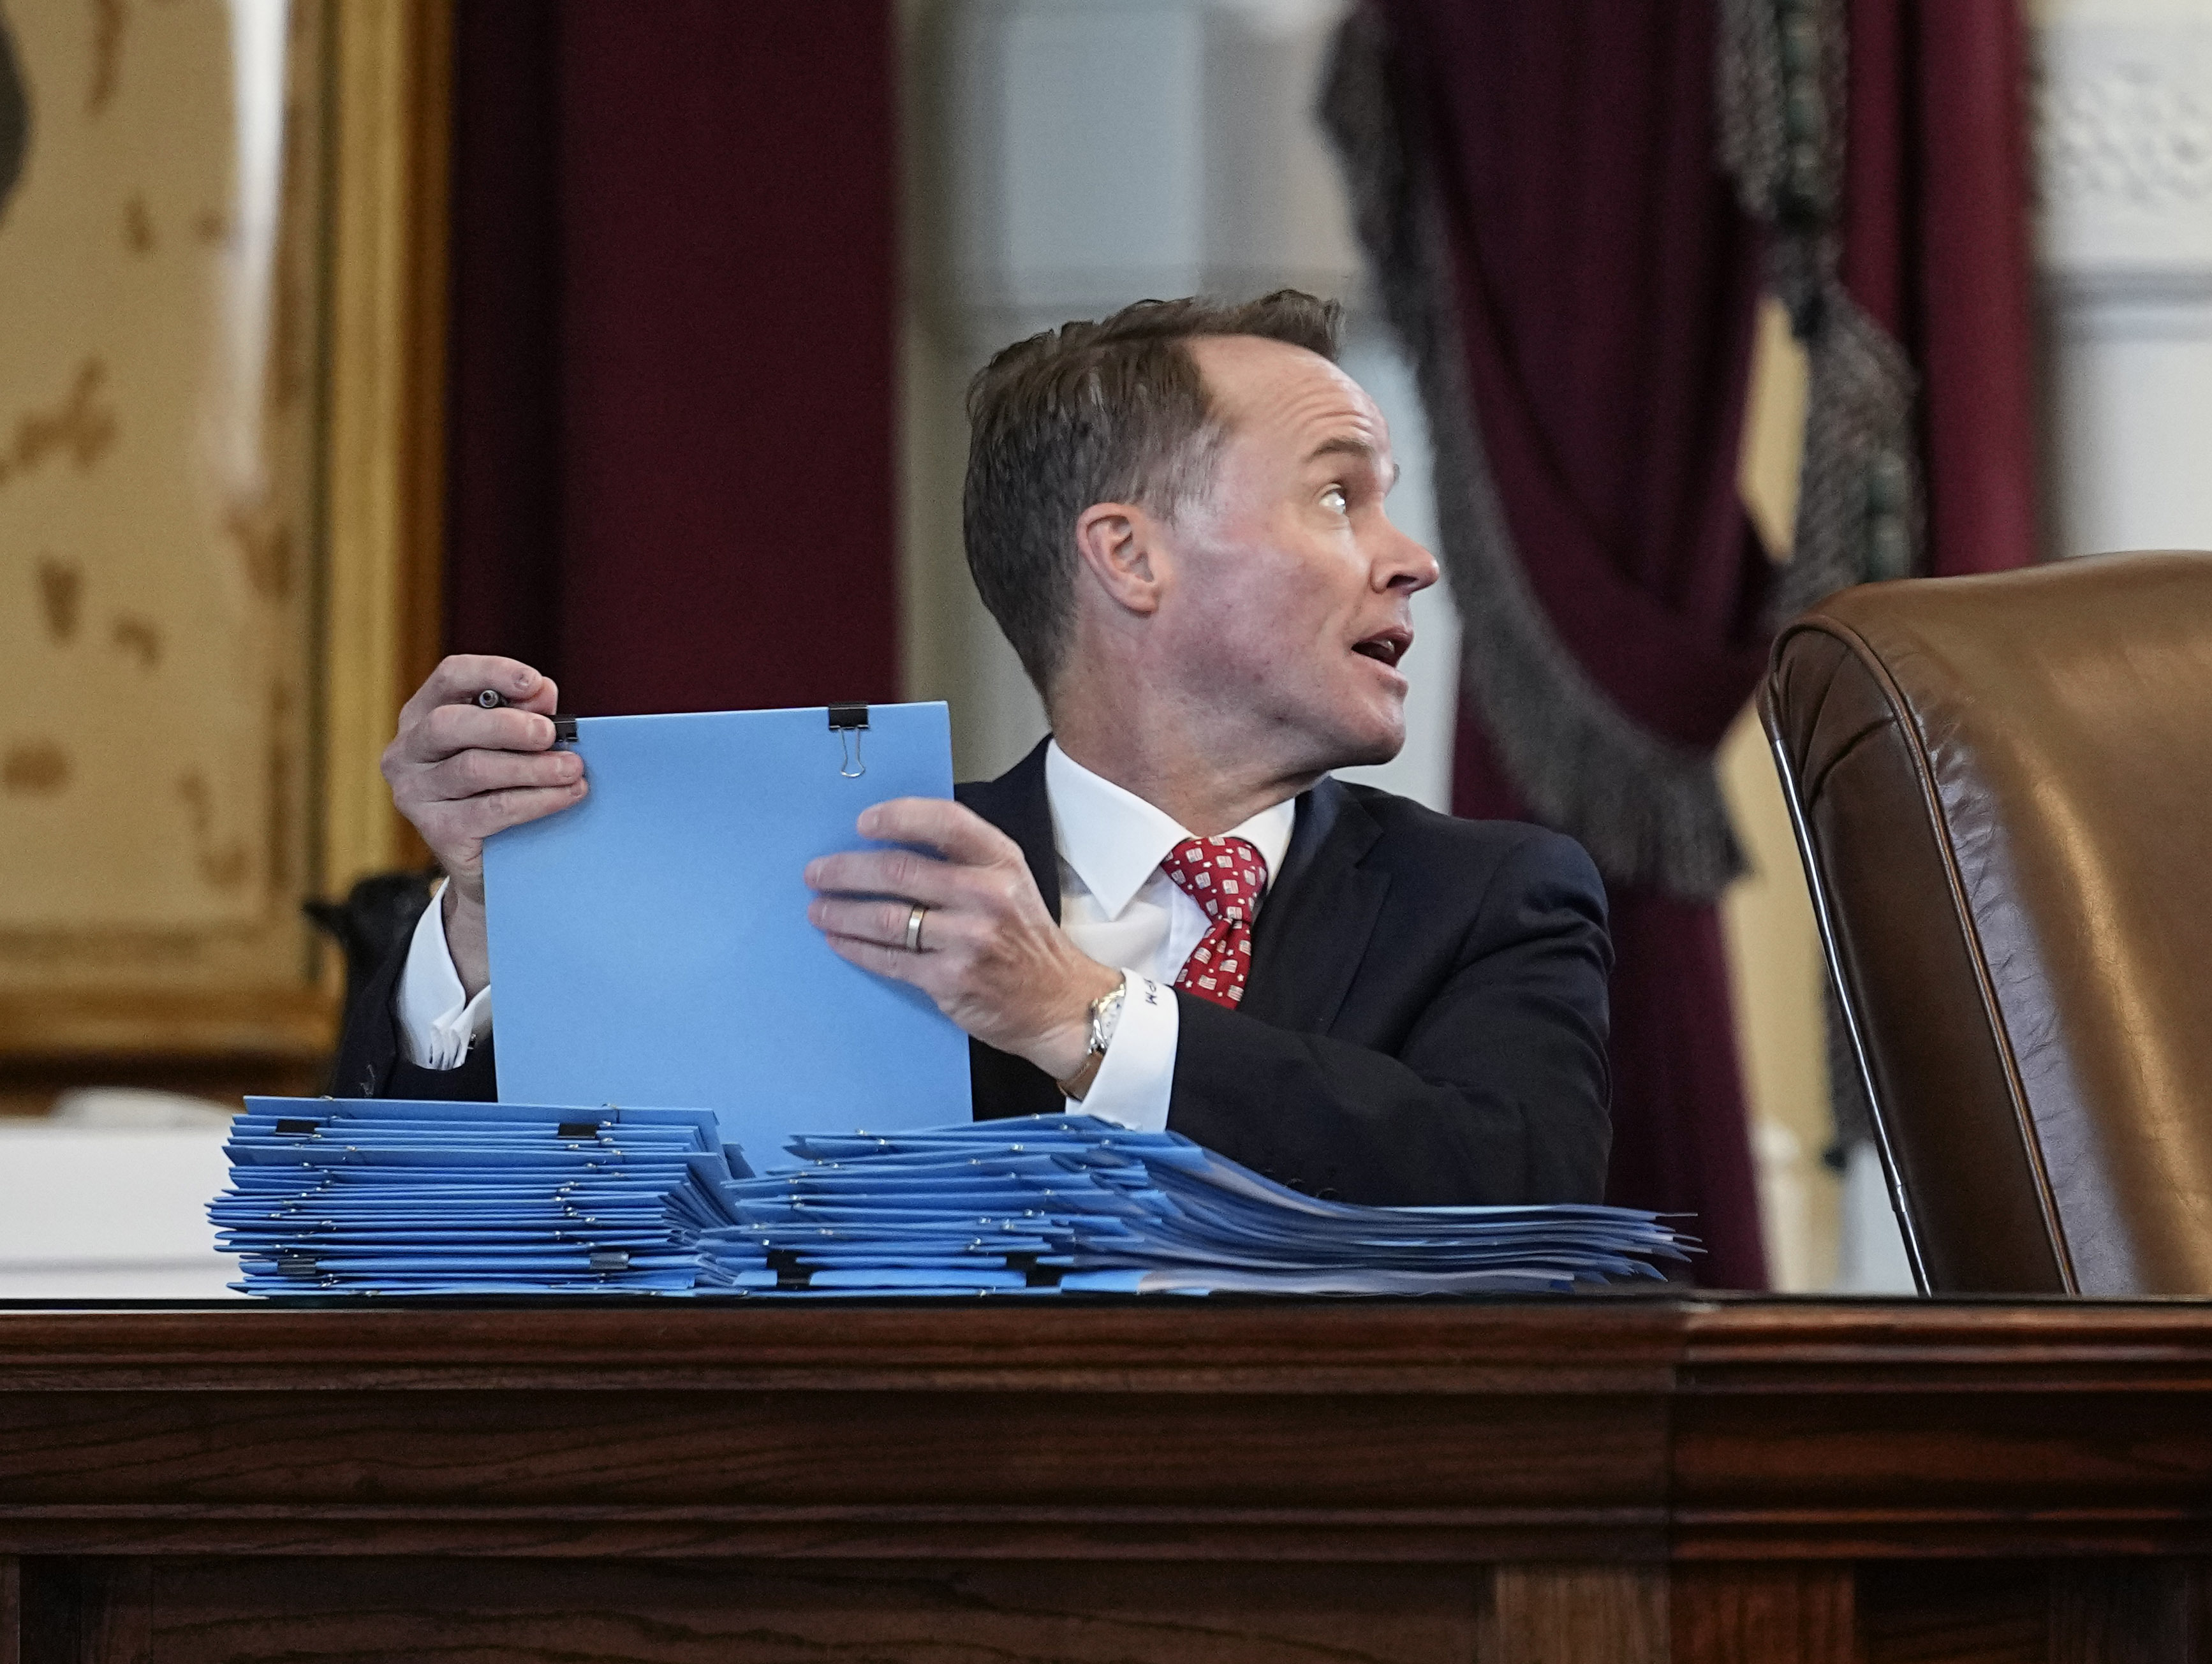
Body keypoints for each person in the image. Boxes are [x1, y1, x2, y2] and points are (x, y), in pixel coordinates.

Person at [334, 291, 1612, 1205]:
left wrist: (1083, 1018)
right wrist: (501, 923)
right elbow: (502, 1225)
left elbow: (1521, 1192)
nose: (1411, 559)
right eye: (1339, 494)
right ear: (1129, 556)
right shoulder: (831, 886)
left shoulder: (1495, 901)